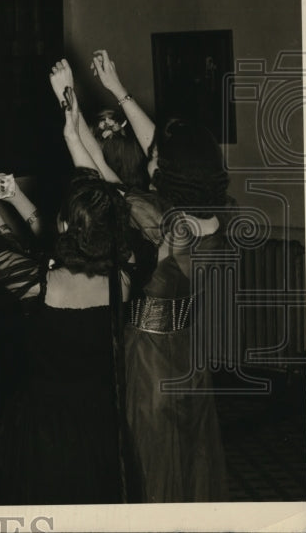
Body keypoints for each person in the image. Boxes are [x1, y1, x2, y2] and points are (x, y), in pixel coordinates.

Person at [0, 105, 138, 505]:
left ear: (64, 226)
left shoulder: (40, 284)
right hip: (103, 424)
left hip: (43, 431)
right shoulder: (125, 278)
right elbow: (115, 204)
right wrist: (75, 140)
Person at [92, 48, 230, 502]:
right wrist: (119, 91)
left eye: (159, 158)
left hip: (150, 357)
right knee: (190, 458)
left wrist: (75, 130)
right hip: (187, 353)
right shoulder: (209, 217)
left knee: (151, 462)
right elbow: (164, 153)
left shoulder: (161, 219)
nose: (152, 157)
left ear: (169, 172)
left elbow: (106, 178)